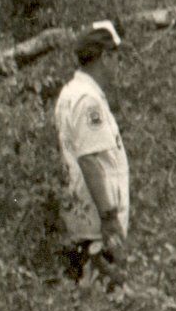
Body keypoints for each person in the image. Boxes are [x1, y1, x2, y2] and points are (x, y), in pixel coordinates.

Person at [55, 21, 131, 286]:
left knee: (86, 295)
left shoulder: (71, 93)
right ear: (104, 57)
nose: (118, 64)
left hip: (83, 218)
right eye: (116, 57)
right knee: (103, 295)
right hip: (95, 227)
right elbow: (89, 160)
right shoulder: (88, 100)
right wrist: (109, 218)